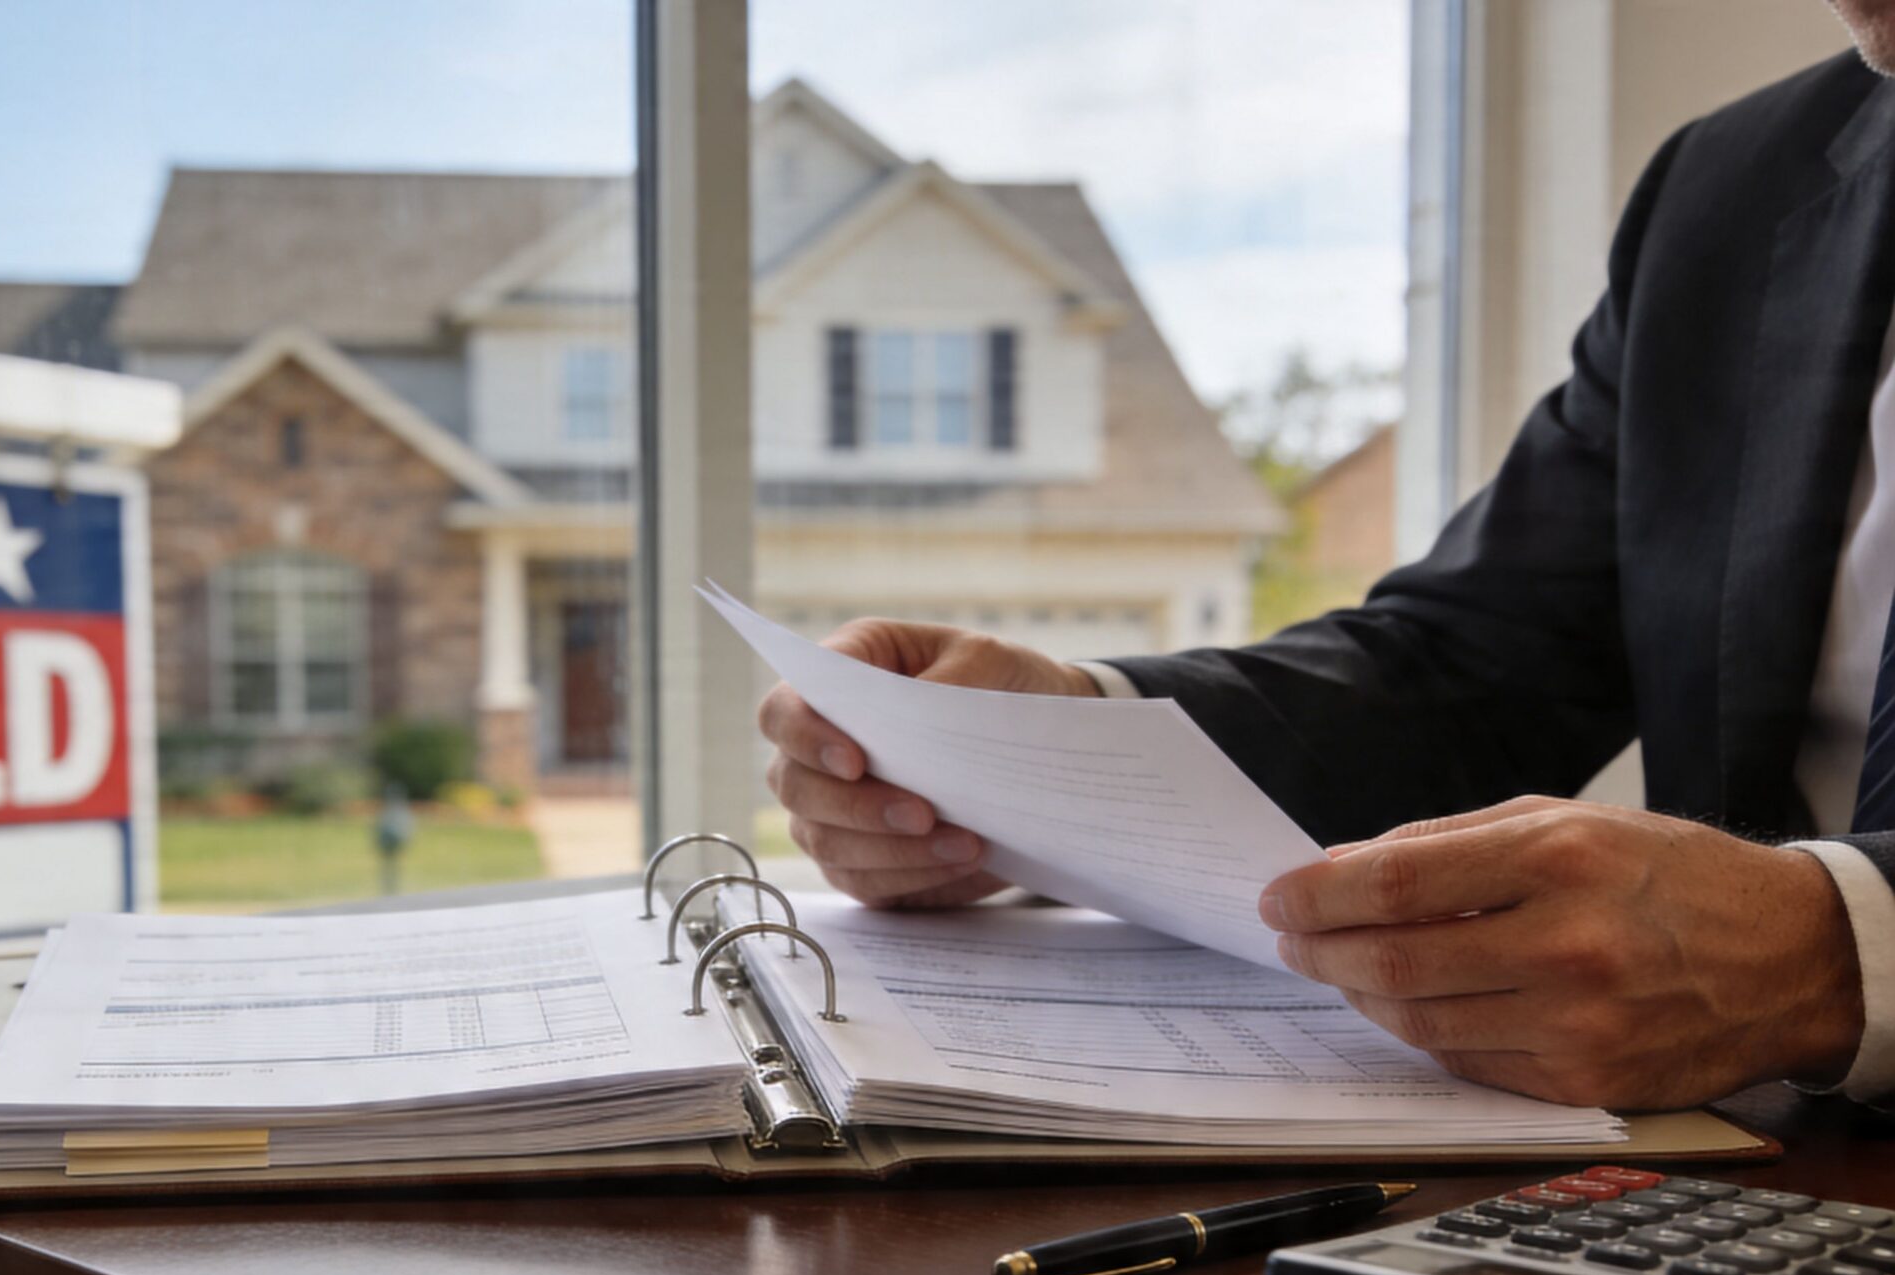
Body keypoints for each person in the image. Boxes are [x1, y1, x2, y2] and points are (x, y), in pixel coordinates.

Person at [760, 11, 1895, 1113]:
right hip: (1734, 1213)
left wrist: (1835, 955)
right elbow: (1472, 669)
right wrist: (1056, 753)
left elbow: (1803, 949)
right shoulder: (1732, 189)